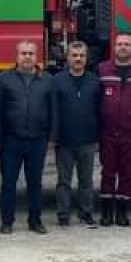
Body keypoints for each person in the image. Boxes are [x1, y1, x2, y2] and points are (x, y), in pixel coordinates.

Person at [0, 40, 56, 235]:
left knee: (35, 183)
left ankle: (35, 221)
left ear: (36, 56)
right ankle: (7, 221)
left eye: (30, 53)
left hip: (37, 140)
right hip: (11, 139)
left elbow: (53, 110)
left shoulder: (47, 80)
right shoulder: (3, 79)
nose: (27, 57)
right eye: (23, 53)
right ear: (16, 56)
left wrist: (52, 137)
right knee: (9, 182)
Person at [51, 41, 101, 228]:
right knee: (64, 181)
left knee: (86, 181)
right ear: (68, 57)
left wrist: (98, 137)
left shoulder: (95, 82)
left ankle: (86, 213)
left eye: (81, 56)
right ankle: (63, 214)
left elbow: (99, 110)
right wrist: (54, 137)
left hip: (87, 140)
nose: (78, 59)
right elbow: (53, 110)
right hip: (65, 140)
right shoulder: (57, 81)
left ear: (86, 58)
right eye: (74, 55)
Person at [97, 32, 131, 227]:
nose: (123, 47)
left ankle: (122, 213)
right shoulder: (102, 69)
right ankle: (106, 213)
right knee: (108, 172)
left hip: (130, 132)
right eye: (120, 44)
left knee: (127, 173)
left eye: (127, 44)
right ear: (114, 48)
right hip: (107, 131)